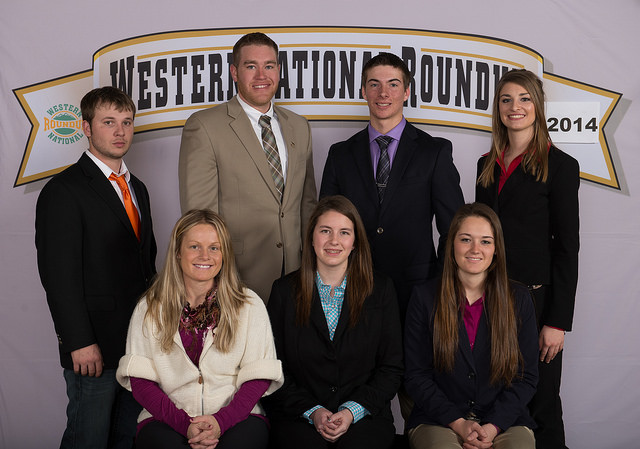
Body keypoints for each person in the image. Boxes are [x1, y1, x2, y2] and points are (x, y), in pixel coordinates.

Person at [35, 86, 157, 449]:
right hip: (93, 347)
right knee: (87, 438)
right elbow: (58, 276)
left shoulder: (139, 189)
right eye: (109, 122)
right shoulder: (64, 190)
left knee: (125, 438)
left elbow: (144, 265)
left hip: (137, 345)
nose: (120, 132)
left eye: (126, 122)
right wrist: (79, 341)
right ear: (86, 128)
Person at [116, 209, 284, 449]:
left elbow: (257, 379)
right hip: (166, 418)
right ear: (177, 253)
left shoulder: (249, 304)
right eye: (194, 246)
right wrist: (184, 424)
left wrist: (220, 422)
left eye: (214, 248)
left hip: (238, 417)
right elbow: (141, 384)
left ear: (224, 254)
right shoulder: (150, 307)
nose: (205, 255)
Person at [475, 69, 579, 449]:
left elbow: (568, 247)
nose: (514, 107)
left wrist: (557, 321)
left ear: (537, 105)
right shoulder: (486, 165)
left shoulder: (560, 165)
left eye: (523, 99)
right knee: (497, 401)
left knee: (542, 403)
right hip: (491, 299)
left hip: (537, 302)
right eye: (506, 100)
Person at [320, 52, 464, 325]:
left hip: (417, 289)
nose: (383, 93)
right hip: (353, 285)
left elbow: (453, 229)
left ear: (407, 91)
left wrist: (443, 286)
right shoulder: (340, 154)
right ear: (363, 91)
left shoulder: (433, 152)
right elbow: (325, 225)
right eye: (374, 84)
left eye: (393, 84)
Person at [179, 32, 317, 302]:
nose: (261, 75)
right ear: (234, 72)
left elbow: (307, 205)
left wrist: (310, 267)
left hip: (296, 278)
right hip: (236, 277)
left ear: (279, 71)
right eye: (250, 66)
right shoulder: (205, 126)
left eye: (269, 66)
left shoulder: (299, 127)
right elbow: (200, 217)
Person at [264, 195, 403, 449]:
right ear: (312, 238)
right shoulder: (284, 292)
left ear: (355, 242)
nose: (334, 241)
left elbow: (391, 369)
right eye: (325, 231)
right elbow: (274, 368)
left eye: (344, 233)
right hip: (298, 416)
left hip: (365, 417)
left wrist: (351, 411)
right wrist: (313, 411)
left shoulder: (381, 290)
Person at [404, 203, 539, 449]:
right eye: (466, 239)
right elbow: (416, 376)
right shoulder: (424, 297)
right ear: (451, 244)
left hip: (505, 421)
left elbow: (526, 377)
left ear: (497, 249)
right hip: (439, 420)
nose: (475, 249)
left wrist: (492, 426)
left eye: (486, 242)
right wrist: (457, 423)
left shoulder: (519, 299)